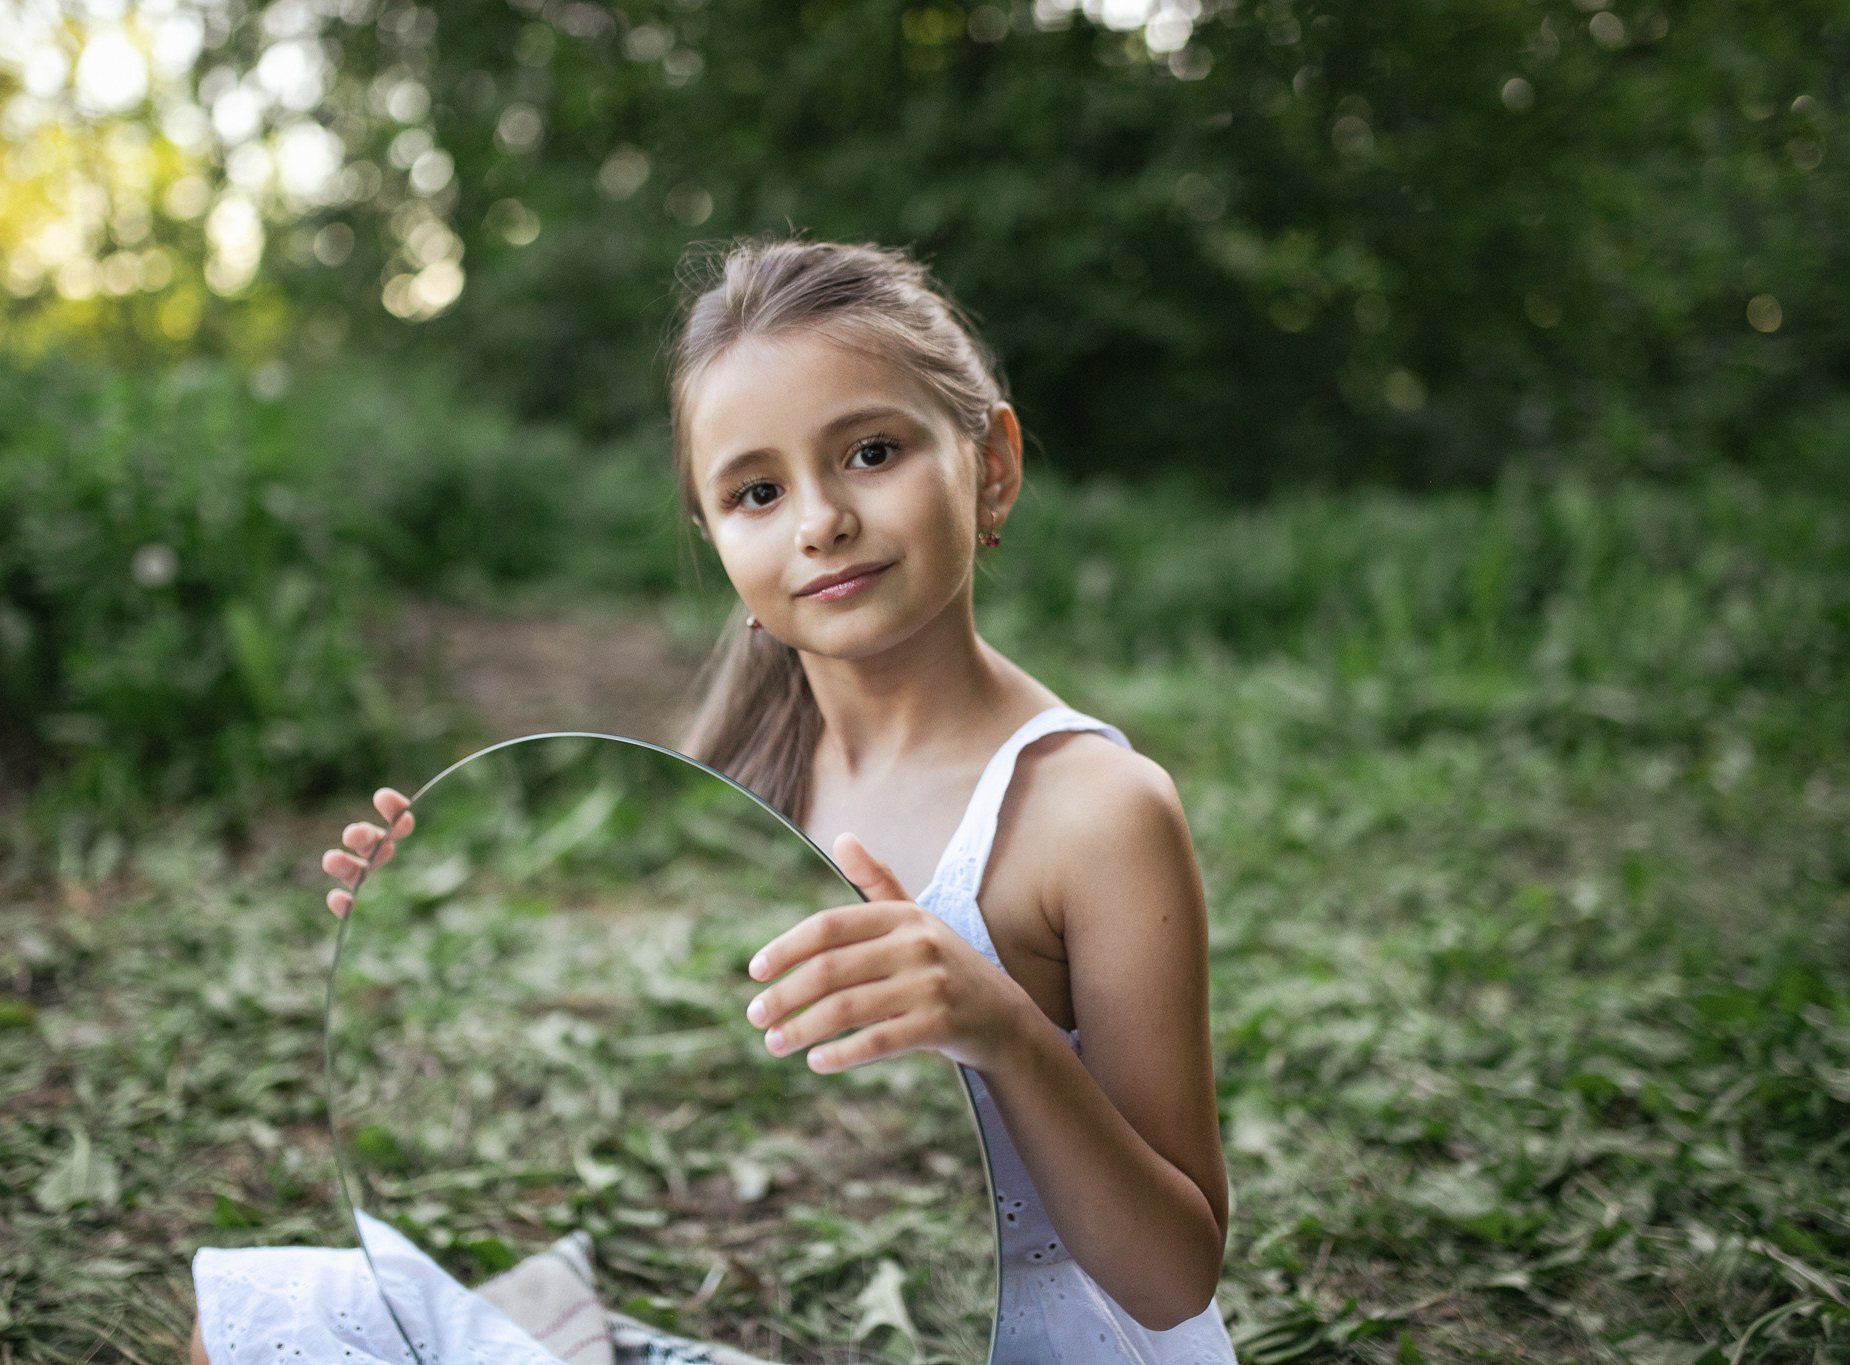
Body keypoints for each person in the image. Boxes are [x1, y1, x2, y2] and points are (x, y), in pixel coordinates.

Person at [191, 240, 1235, 1364]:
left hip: (1019, 1340)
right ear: (713, 533)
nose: (819, 520)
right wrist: (408, 943)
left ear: (991, 464)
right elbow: (635, 1080)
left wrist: (1002, 1031)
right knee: (267, 1323)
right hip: (797, 1325)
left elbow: (1173, 1278)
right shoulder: (739, 786)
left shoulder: (1094, 813)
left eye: (871, 451)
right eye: (756, 490)